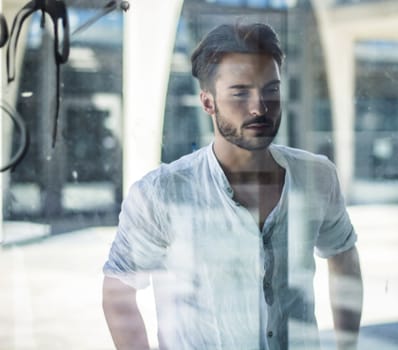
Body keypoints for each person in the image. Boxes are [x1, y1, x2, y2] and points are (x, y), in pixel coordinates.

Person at [102, 22, 363, 350]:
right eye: (241, 92)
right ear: (208, 102)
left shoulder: (317, 175)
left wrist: (347, 346)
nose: (260, 107)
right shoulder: (161, 193)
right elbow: (117, 292)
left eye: (271, 89)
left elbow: (342, 254)